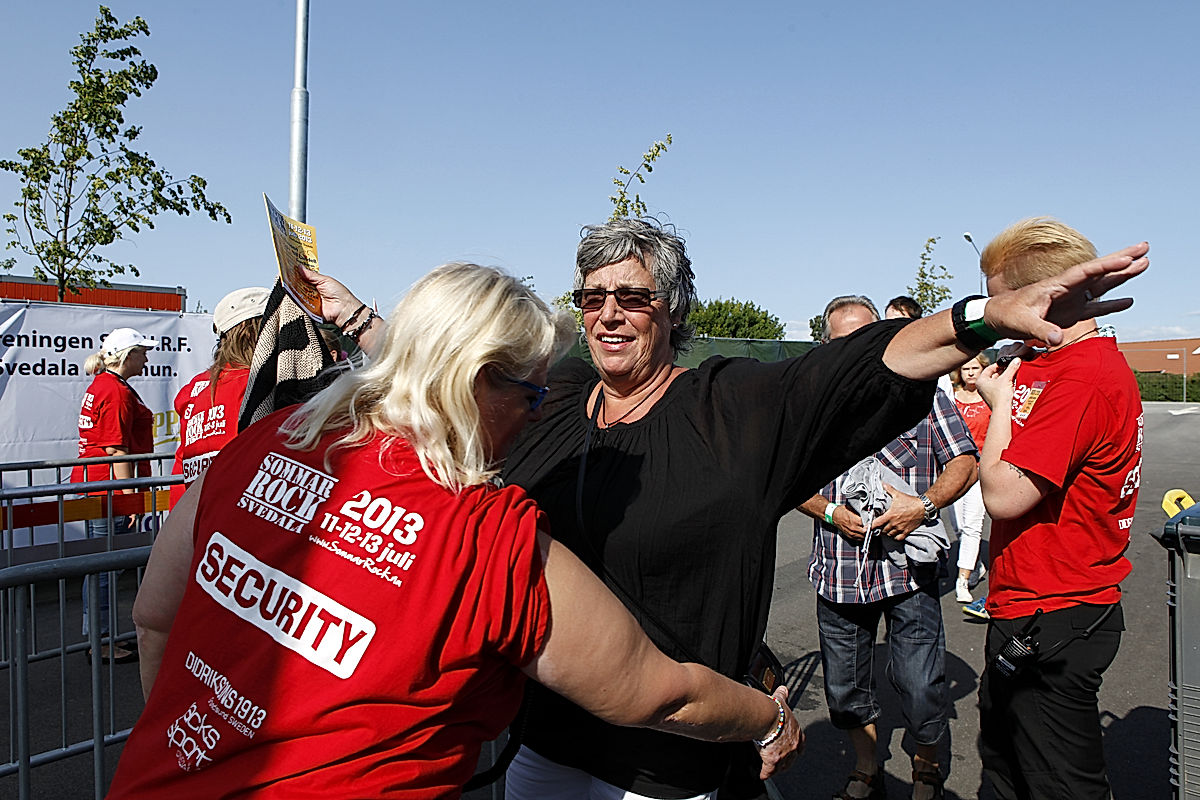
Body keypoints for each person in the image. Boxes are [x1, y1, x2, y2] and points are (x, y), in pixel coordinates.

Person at [496, 216, 1147, 800]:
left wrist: (983, 317)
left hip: (662, 755)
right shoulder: (556, 403)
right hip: (545, 733)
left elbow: (859, 367)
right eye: (592, 297)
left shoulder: (726, 410)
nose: (609, 313)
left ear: (671, 311)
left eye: (633, 297)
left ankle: (920, 766)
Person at [106, 264, 801, 799]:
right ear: (472, 381)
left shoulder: (256, 449)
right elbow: (659, 692)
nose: (536, 417)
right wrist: (764, 718)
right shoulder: (487, 537)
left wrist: (201, 745)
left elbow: (155, 618)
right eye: (530, 394)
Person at [972, 218, 1144, 799]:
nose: (998, 316)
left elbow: (1002, 495)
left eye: (1003, 301)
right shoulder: (1048, 358)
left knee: (1058, 784)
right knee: (1004, 763)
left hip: (1055, 613)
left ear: (1047, 297)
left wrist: (998, 403)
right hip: (1028, 605)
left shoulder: (1082, 377)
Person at [799, 295, 977, 800]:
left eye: (867, 336)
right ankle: (866, 769)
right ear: (828, 344)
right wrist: (831, 512)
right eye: (844, 340)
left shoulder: (923, 393)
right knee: (844, 691)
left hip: (908, 570)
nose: (857, 349)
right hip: (838, 570)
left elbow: (964, 461)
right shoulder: (810, 403)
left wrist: (922, 506)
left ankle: (925, 770)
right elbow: (788, 480)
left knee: (921, 686)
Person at [72, 326, 157, 664]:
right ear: (128, 355)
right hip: (106, 490)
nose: (147, 358)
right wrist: (128, 495)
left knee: (102, 567)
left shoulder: (107, 385)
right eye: (142, 352)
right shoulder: (116, 391)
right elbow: (115, 450)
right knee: (105, 568)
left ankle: (100, 636)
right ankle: (101, 642)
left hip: (97, 486)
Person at [168, 287, 270, 507]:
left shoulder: (201, 388)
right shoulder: (255, 387)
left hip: (196, 519)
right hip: (235, 521)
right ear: (255, 332)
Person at [948, 353, 991, 607]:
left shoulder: (990, 397)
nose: (971, 372)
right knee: (959, 526)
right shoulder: (951, 398)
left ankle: (961, 582)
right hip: (955, 470)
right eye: (966, 368)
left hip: (980, 469)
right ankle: (975, 564)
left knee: (973, 525)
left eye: (975, 367)